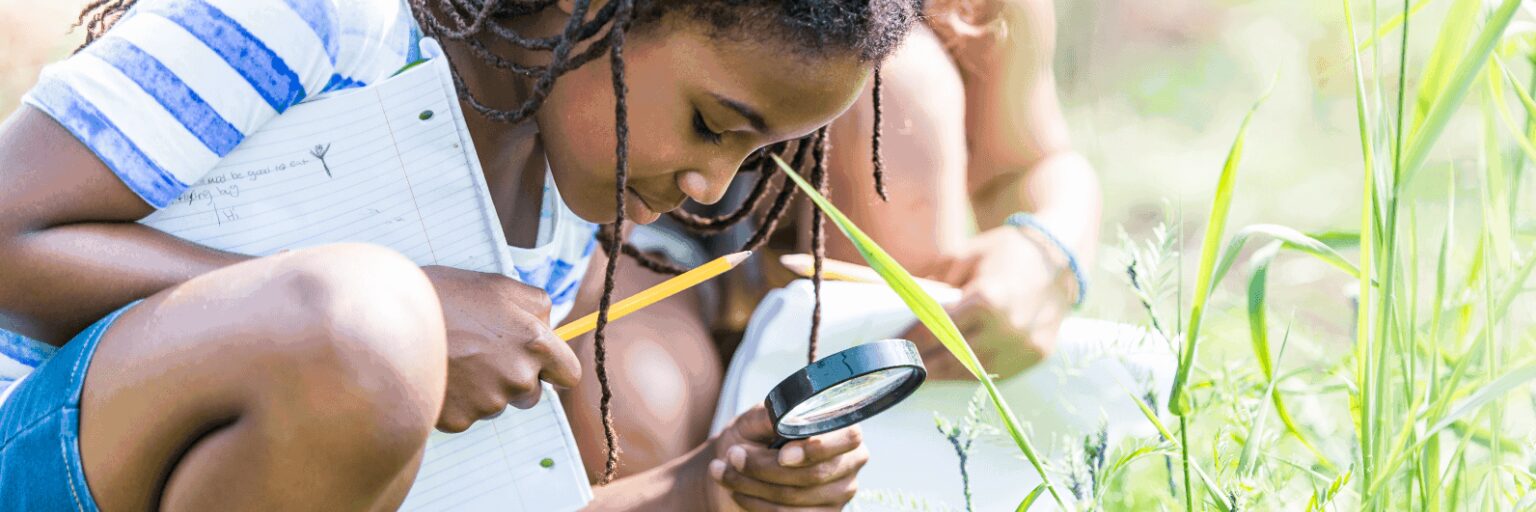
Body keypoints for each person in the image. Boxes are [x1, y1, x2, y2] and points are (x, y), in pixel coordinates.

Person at [0, 0, 922, 510]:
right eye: (710, 125)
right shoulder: (319, 18)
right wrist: (407, 312)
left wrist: (702, 488)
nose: (712, 190)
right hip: (39, 455)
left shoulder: (556, 215)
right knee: (363, 326)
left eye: (756, 159)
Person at [554, 0, 1102, 486]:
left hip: (836, 250)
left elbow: (1031, 161)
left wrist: (1047, 251)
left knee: (902, 86)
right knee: (633, 416)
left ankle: (888, 442)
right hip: (640, 229)